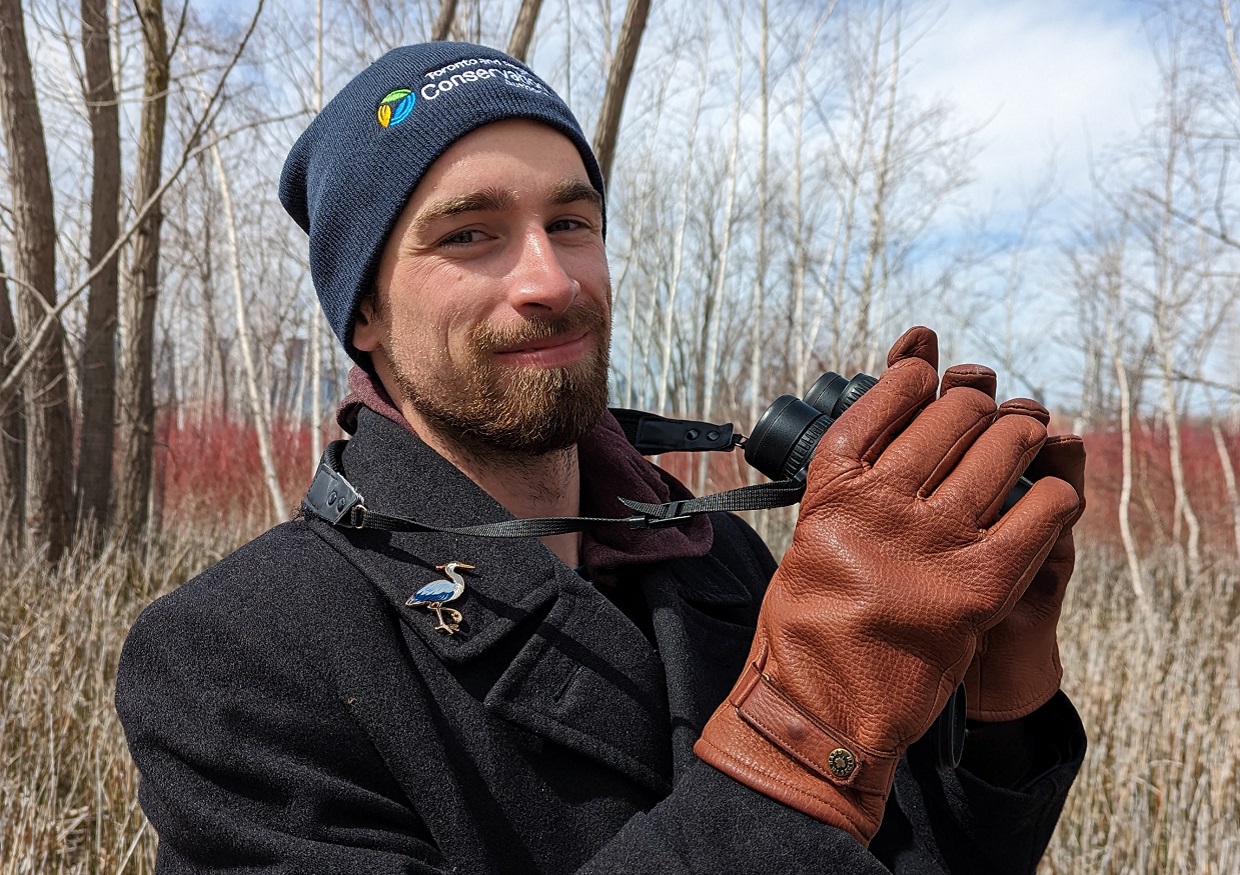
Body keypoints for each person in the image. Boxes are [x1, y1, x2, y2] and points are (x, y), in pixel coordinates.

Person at [115, 41, 1088, 874]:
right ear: (362, 313)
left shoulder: (720, 557)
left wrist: (996, 690)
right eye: (469, 234)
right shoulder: (235, 657)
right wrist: (804, 723)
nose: (548, 277)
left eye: (571, 222)